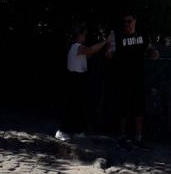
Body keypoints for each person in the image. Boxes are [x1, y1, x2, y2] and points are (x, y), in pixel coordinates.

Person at [107, 11, 157, 148]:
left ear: (135, 21)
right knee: (123, 107)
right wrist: (109, 51)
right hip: (123, 77)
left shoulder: (141, 36)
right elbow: (110, 53)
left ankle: (138, 138)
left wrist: (153, 53)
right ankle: (122, 137)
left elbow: (149, 48)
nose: (127, 24)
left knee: (139, 108)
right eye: (125, 22)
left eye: (129, 21)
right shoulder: (119, 36)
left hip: (138, 76)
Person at [56, 23, 106, 142]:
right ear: (79, 35)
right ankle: (62, 130)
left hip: (80, 78)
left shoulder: (78, 47)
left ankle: (77, 130)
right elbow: (90, 50)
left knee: (79, 106)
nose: (85, 37)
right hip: (75, 79)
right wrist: (105, 41)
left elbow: (87, 55)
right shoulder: (76, 46)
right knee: (71, 105)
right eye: (84, 34)